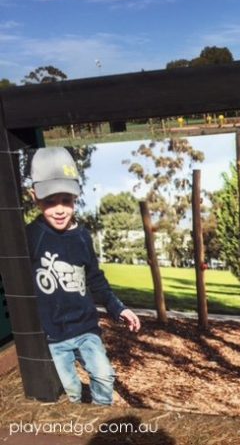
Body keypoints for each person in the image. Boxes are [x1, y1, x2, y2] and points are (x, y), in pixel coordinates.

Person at [25, 147, 141, 406]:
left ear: (76, 197)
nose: (59, 209)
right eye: (49, 201)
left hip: (86, 328)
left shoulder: (82, 237)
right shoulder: (31, 236)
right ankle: (77, 424)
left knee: (103, 376)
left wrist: (118, 308)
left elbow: (96, 280)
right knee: (72, 391)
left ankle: (102, 417)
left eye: (66, 200)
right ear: (35, 197)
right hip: (53, 334)